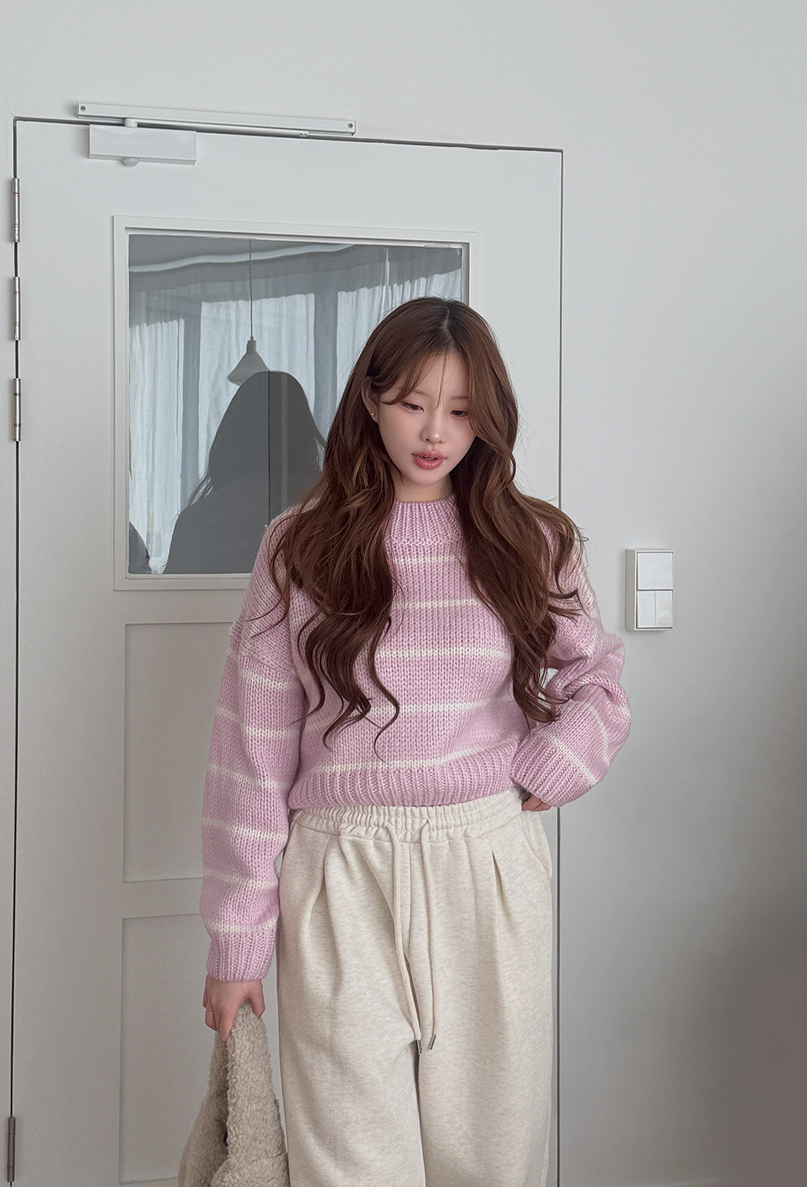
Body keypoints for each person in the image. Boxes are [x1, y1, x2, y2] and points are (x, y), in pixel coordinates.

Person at [199, 296, 632, 1187]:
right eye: (412, 403)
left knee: (492, 1153)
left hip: (486, 860)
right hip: (339, 872)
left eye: (463, 410)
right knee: (349, 1159)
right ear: (370, 398)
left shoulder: (529, 540)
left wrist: (552, 763)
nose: (436, 432)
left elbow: (599, 679)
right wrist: (237, 942)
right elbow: (251, 754)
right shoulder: (298, 548)